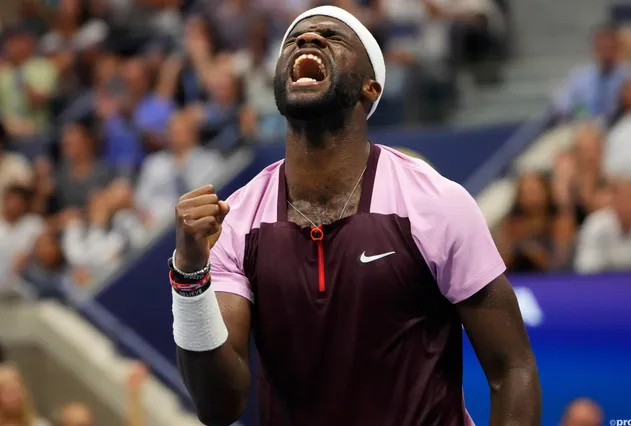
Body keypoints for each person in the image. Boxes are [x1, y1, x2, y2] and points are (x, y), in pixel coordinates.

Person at [169, 6, 541, 426]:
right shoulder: (237, 220)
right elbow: (219, 407)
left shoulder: (435, 202)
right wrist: (189, 277)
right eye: (294, 38)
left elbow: (513, 369)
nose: (307, 40)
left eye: (332, 35)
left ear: (370, 87)